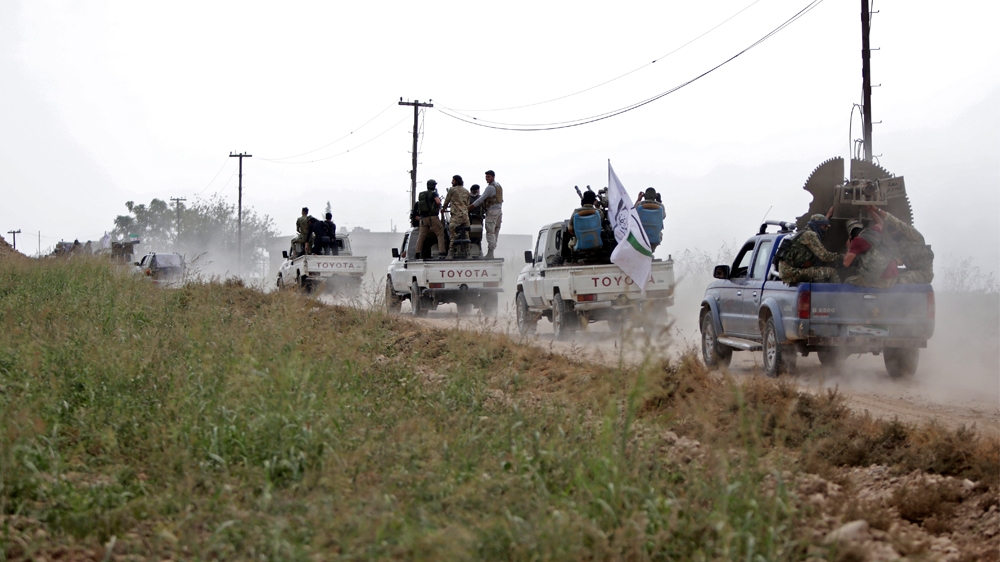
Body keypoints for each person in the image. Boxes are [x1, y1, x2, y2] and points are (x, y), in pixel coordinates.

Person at [870, 207, 933, 284]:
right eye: (891, 234)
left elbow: (896, 222)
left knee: (902, 279)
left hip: (924, 274)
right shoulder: (899, 245)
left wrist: (877, 210)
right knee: (887, 275)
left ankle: (901, 296)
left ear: (898, 230)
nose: (892, 235)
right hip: (910, 271)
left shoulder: (914, 237)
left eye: (894, 232)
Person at [777, 212, 842, 284]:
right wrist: (842, 257)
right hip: (792, 273)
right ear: (819, 225)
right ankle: (839, 294)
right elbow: (824, 256)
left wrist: (828, 215)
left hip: (788, 271)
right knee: (831, 272)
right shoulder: (810, 235)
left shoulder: (804, 232)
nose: (826, 229)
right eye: (825, 227)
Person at [843, 207, 899, 288]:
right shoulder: (874, 232)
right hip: (893, 278)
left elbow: (846, 263)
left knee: (848, 281)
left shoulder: (857, 241)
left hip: (882, 281)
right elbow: (880, 223)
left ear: (851, 235)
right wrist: (870, 210)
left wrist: (849, 248)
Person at [469, 170, 502, 259]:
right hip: (498, 211)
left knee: (490, 232)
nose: (487, 178)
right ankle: (491, 252)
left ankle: (490, 253)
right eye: (486, 177)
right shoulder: (498, 186)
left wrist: (469, 208)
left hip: (492, 212)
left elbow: (481, 200)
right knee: (495, 232)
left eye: (489, 177)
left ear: (493, 177)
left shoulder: (490, 188)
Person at [414, 179, 445, 259]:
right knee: (440, 232)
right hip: (433, 217)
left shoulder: (422, 194)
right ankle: (442, 252)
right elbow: (438, 202)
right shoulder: (434, 193)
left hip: (423, 218)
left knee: (422, 235)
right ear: (434, 186)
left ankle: (417, 253)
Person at [441, 175, 471, 258]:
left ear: (456, 181)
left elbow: (446, 201)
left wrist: (443, 209)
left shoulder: (452, 190)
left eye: (453, 181)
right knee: (466, 234)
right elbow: (468, 204)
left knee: (452, 234)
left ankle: (450, 252)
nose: (452, 182)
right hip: (465, 217)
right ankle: (468, 253)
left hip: (456, 216)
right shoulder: (466, 191)